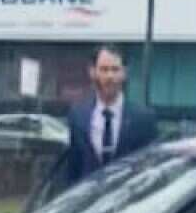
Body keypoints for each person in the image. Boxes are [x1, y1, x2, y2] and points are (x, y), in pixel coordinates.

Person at [66, 44, 159, 183]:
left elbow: (151, 167)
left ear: (124, 73)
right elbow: (73, 168)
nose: (110, 76)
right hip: (88, 194)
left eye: (115, 69)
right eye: (104, 69)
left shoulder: (143, 119)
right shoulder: (78, 117)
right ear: (92, 72)